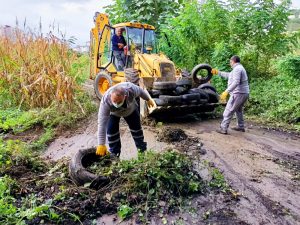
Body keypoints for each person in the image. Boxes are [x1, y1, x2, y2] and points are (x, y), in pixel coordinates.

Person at [96, 82, 156, 157]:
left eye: (119, 102)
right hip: (113, 114)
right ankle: (115, 156)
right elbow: (102, 123)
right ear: (111, 95)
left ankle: (142, 153)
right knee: (111, 133)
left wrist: (148, 99)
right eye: (114, 101)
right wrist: (101, 144)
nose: (117, 104)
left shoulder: (131, 89)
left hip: (130, 110)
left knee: (137, 131)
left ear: (125, 96)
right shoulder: (105, 101)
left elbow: (140, 91)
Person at [211, 55, 250, 134]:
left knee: (229, 110)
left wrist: (226, 92)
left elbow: (236, 82)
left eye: (230, 62)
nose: (230, 64)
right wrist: (218, 72)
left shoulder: (237, 69)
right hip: (243, 93)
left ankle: (223, 128)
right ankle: (240, 126)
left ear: (233, 61)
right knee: (238, 110)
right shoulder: (238, 68)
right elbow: (229, 75)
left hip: (238, 93)